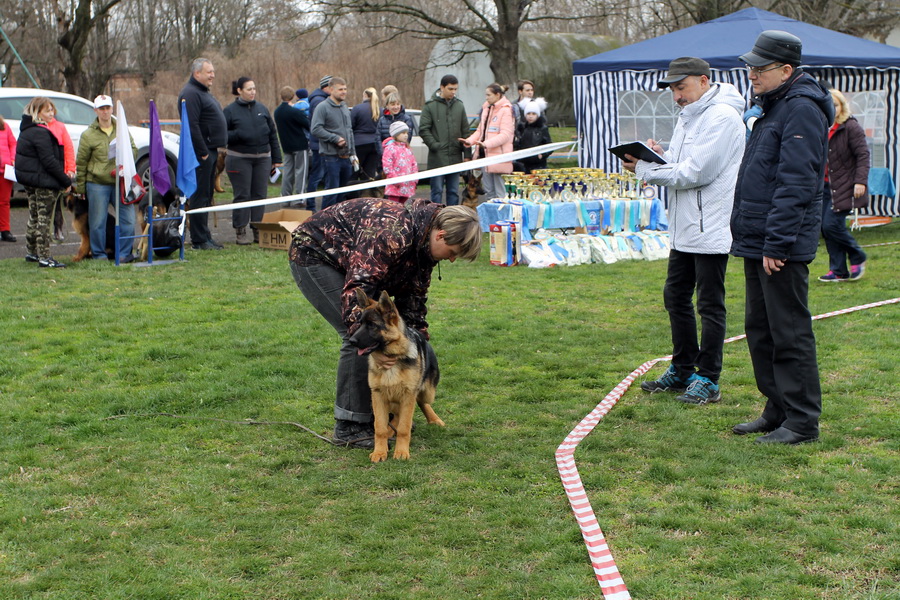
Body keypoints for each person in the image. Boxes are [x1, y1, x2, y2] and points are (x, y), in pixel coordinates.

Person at [288, 198, 482, 447]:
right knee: (361, 335)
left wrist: (415, 351)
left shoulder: (423, 247)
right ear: (441, 236)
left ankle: (385, 415)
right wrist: (375, 347)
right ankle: (350, 426)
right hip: (316, 255)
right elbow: (359, 287)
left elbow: (413, 306)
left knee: (383, 338)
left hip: (354, 265)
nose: (452, 260)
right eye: (453, 253)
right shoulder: (392, 232)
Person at [622, 57, 745, 405]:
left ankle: (708, 378)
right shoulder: (689, 116)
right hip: (684, 225)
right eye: (673, 89)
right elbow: (679, 164)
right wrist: (658, 156)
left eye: (681, 87)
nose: (676, 96)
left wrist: (645, 169)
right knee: (675, 297)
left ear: (704, 81)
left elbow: (695, 173)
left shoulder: (722, 117)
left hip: (711, 225)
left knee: (709, 305)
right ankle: (683, 368)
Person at [730, 31, 832, 445]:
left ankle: (802, 421)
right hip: (759, 236)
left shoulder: (801, 109)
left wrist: (778, 243)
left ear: (786, 70)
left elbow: (797, 182)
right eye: (750, 67)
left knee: (788, 331)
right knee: (761, 329)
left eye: (760, 68)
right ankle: (778, 408)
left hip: (780, 243)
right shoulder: (773, 106)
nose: (752, 74)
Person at [75, 94, 139, 262]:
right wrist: (81, 188)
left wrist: (125, 159)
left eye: (107, 108)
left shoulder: (122, 129)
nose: (105, 112)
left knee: (128, 219)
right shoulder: (88, 135)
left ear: (112, 109)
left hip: (121, 183)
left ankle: (124, 253)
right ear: (95, 110)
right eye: (101, 108)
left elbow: (133, 149)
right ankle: (99, 254)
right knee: (97, 222)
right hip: (97, 184)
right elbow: (81, 162)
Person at [223, 77, 283, 245]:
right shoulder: (229, 111)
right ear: (239, 91)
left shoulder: (262, 109)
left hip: (262, 159)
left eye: (254, 89)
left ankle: (257, 229)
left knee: (259, 195)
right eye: (249, 89)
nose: (253, 92)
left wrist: (276, 157)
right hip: (239, 158)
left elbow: (272, 134)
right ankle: (240, 230)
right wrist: (238, 134)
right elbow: (221, 134)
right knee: (243, 195)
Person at [818, 88, 870, 282]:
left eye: (836, 105)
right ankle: (838, 270)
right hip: (825, 187)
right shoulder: (821, 126)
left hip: (845, 186)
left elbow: (863, 155)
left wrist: (860, 181)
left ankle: (857, 255)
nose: (832, 108)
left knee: (831, 225)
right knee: (826, 228)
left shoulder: (850, 127)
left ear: (842, 106)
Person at [15, 97, 71, 268]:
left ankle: (31, 252)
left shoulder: (26, 130)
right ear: (38, 113)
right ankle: (45, 257)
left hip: (30, 181)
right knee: (43, 220)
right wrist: (65, 180)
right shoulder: (40, 132)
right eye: (48, 110)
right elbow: (49, 161)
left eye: (52, 110)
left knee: (33, 216)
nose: (52, 113)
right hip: (43, 182)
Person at [178, 57, 228, 250]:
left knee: (207, 194)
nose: (212, 75)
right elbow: (192, 125)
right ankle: (198, 239)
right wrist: (203, 153)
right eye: (209, 72)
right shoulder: (190, 93)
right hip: (201, 153)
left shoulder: (202, 92)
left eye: (213, 71)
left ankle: (205, 236)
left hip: (210, 150)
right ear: (197, 73)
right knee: (199, 195)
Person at [419, 74, 471, 205]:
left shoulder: (459, 106)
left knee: (453, 191)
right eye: (450, 89)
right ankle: (435, 215)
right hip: (437, 157)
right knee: (436, 191)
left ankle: (452, 215)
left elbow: (465, 131)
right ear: (442, 87)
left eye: (455, 89)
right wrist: (434, 145)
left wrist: (467, 155)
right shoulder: (430, 106)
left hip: (455, 156)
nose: (453, 92)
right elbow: (424, 129)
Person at [462, 83, 515, 201]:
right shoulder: (487, 109)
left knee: (500, 194)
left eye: (489, 95)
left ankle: (502, 213)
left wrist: (486, 144)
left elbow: (505, 135)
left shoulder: (506, 110)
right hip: (485, 157)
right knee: (489, 193)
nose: (486, 98)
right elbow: (480, 131)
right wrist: (469, 141)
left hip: (499, 158)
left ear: (497, 95)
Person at [310, 76, 355, 209]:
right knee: (332, 192)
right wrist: (335, 138)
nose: (344, 92)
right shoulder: (322, 107)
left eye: (345, 89)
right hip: (330, 157)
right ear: (331, 90)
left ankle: (338, 218)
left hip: (346, 156)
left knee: (343, 192)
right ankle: (325, 219)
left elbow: (349, 130)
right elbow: (315, 129)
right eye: (340, 89)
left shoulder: (344, 106)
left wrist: (353, 153)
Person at [275, 86, 311, 199]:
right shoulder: (294, 111)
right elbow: (308, 124)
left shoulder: (277, 112)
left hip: (286, 145)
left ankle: (285, 196)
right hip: (300, 145)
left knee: (288, 171)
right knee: (301, 171)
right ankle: (300, 197)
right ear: (292, 96)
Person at [305, 75, 333, 210]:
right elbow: (319, 125)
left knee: (321, 175)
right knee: (317, 175)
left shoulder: (322, 99)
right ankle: (310, 205)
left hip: (323, 143)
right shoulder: (318, 101)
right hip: (319, 144)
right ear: (326, 87)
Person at [513, 97, 553, 173]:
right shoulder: (521, 128)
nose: (530, 116)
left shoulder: (542, 129)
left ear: (538, 115)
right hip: (522, 163)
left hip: (538, 165)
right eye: (528, 113)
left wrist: (542, 155)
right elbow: (517, 143)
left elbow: (549, 145)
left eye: (533, 114)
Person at [381, 121, 418, 203]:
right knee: (394, 206)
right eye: (403, 133)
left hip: (407, 186)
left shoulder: (407, 149)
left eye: (407, 133)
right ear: (396, 134)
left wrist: (414, 179)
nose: (406, 135)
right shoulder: (389, 148)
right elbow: (387, 167)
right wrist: (396, 180)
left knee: (403, 207)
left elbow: (414, 164)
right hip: (395, 186)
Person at [350, 87, 380, 180]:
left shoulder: (357, 108)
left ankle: (352, 188)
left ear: (365, 95)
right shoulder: (380, 110)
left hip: (359, 143)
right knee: (369, 173)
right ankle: (368, 188)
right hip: (374, 144)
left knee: (354, 171)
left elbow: (350, 125)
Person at [0, 114, 17, 242]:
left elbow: (13, 144)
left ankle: (5, 230)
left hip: (5, 171)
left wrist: (12, 159)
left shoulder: (5, 126)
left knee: (4, 202)